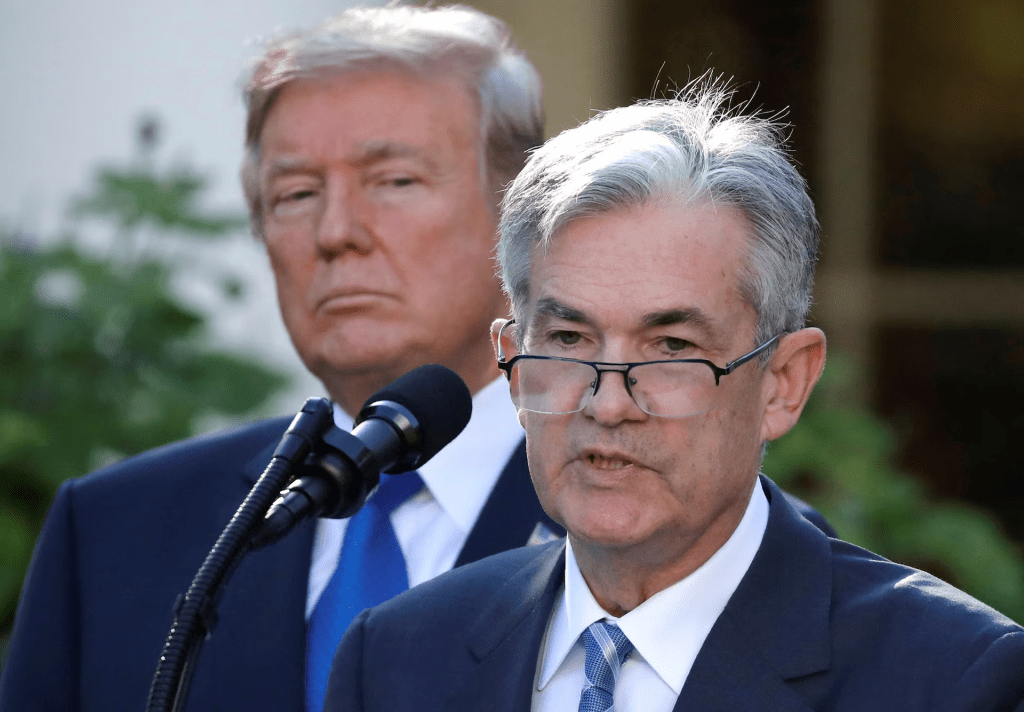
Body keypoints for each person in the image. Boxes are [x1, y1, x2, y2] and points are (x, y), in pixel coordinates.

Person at [0, 7, 832, 712]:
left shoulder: (695, 535)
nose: (336, 233)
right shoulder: (117, 534)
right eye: (294, 193)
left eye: (392, 180)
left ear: (522, 213)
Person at [323, 84, 1024, 711]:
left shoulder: (950, 677)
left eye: (672, 349)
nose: (608, 404)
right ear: (511, 362)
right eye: (569, 339)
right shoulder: (396, 655)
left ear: (784, 382)